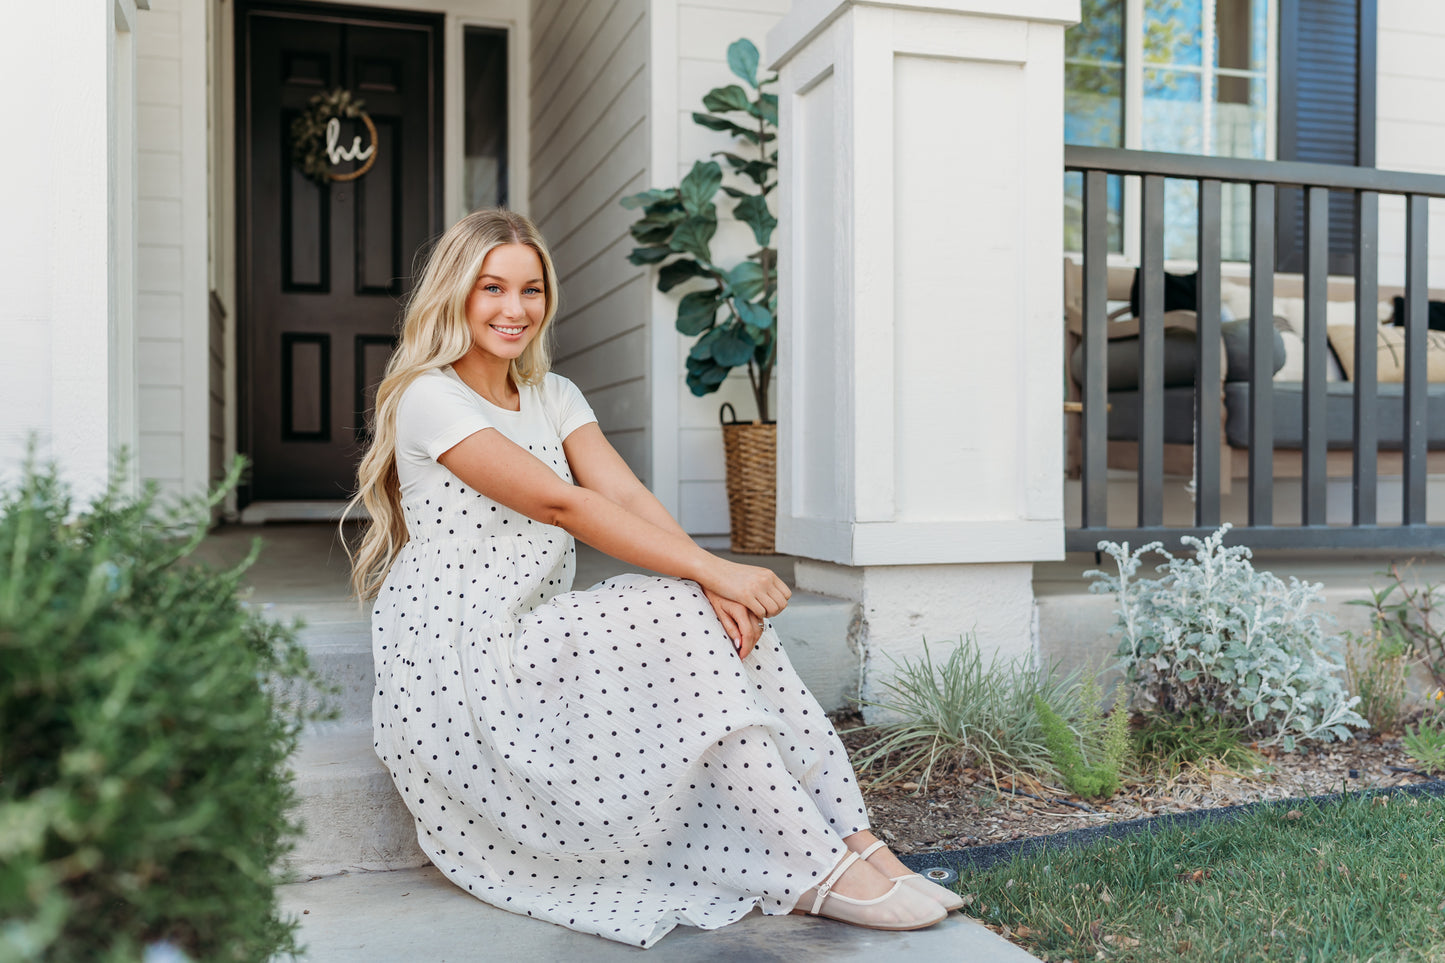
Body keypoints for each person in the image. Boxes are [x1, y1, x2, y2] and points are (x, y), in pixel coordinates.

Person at [343, 209, 963, 948]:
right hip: (461, 652)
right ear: (455, 295)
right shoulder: (428, 397)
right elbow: (561, 501)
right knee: (673, 603)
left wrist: (713, 587)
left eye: (531, 289)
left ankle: (854, 840)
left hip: (534, 624)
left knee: (707, 613)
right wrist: (713, 569)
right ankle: (811, 869)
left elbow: (625, 494)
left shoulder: (552, 394)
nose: (515, 309)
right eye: (492, 289)